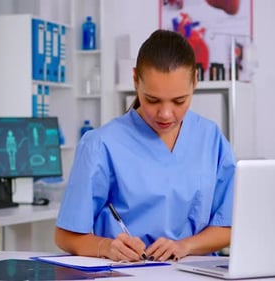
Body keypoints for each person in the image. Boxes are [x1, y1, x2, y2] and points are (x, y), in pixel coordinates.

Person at [55, 29, 236, 262]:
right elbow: (65, 236)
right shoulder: (101, 144)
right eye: (152, 100)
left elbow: (229, 225)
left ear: (195, 83)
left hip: (195, 273)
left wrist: (185, 246)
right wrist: (106, 247)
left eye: (179, 101)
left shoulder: (211, 138)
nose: (166, 114)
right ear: (135, 80)